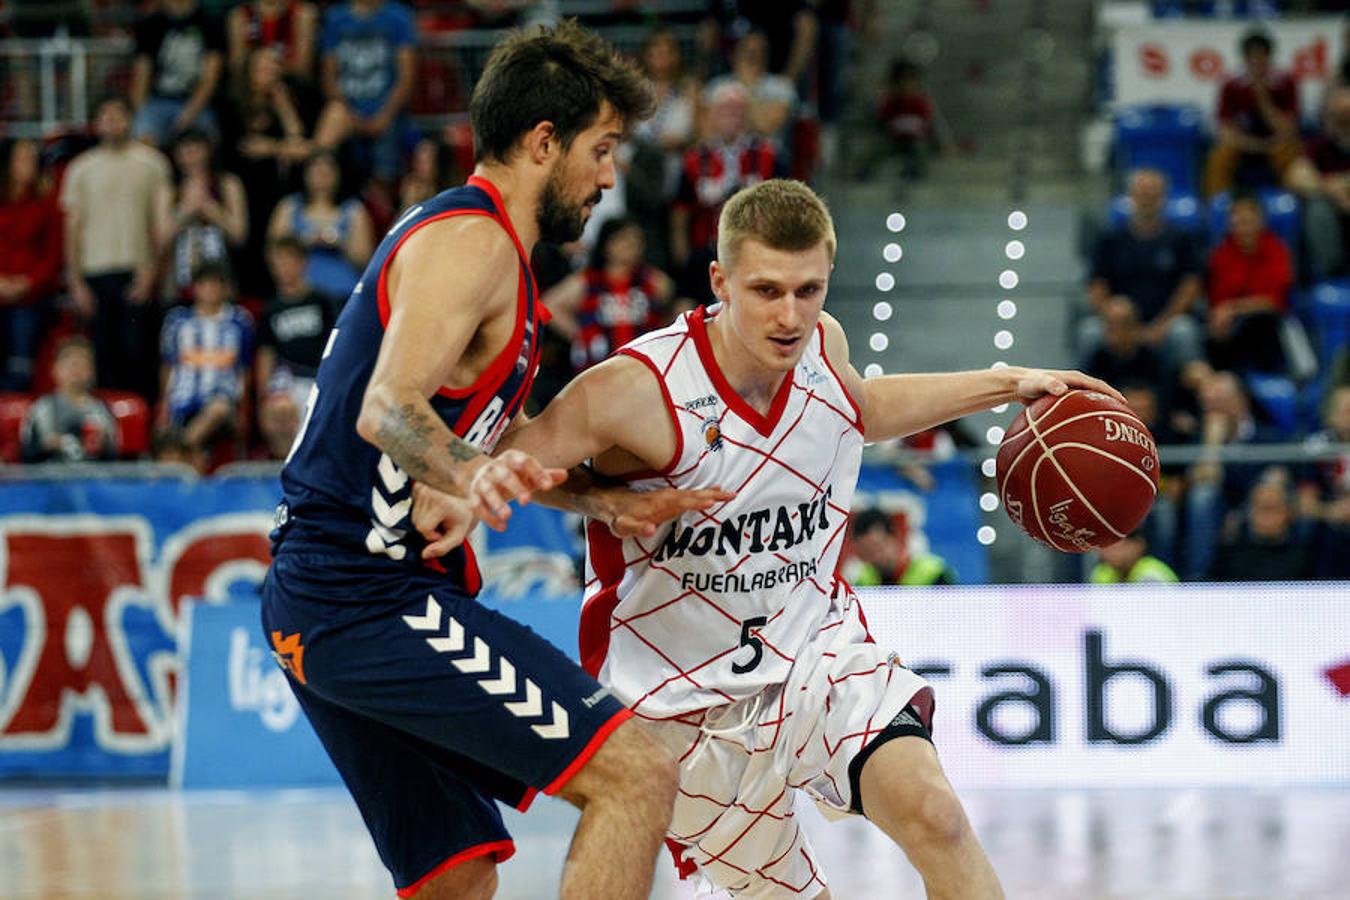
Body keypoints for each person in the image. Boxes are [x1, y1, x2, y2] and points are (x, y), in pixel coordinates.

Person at [423, 178, 1123, 897]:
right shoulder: (636, 389)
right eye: (765, 291)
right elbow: (512, 459)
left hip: (816, 653)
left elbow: (861, 406)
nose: (790, 315)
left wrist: (1012, 383)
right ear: (720, 280)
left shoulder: (823, 345)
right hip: (682, 703)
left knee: (936, 816)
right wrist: (598, 500)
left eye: (808, 289)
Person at [259, 22, 730, 900]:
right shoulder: (470, 243)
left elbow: (476, 437)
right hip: (362, 596)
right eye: (600, 148)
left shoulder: (488, 256)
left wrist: (600, 503)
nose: (608, 175)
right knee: (634, 775)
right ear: (542, 142)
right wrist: (467, 475)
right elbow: (387, 408)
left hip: (327, 595)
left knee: (458, 877)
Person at [62, 94, 172, 402]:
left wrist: (153, 270)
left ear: (130, 119)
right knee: (103, 359)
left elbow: (161, 225)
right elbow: (73, 228)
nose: (112, 122)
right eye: (105, 116)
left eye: (118, 115)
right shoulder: (80, 169)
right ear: (96, 124)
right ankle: (111, 433)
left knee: (140, 356)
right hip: (94, 272)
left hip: (137, 270)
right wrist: (75, 280)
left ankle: (141, 430)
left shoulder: (152, 163)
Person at [670, 80, 781, 304]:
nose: (732, 116)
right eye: (724, 110)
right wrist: (683, 258)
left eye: (738, 110)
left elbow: (784, 207)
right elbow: (680, 212)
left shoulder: (769, 155)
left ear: (748, 115)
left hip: (758, 250)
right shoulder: (694, 159)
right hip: (705, 252)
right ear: (710, 114)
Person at [1083, 168, 1204, 367]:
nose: (1147, 200)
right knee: (1090, 332)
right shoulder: (1110, 239)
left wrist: (1162, 325)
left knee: (1183, 331)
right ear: (1130, 197)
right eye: (1142, 194)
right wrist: (1116, 322)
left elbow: (1191, 285)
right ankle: (1081, 394)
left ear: (1163, 198)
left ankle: (1190, 392)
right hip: (1119, 320)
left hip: (1166, 320)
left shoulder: (1181, 239)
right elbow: (1097, 284)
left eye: (1153, 195)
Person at [544, 216, 678, 375]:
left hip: (644, 369)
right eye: (623, 239)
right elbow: (549, 305)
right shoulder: (587, 281)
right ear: (606, 244)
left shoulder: (656, 281)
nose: (630, 244)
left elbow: (674, 311)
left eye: (636, 239)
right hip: (596, 369)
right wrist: (581, 335)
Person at [157, 262, 254, 464]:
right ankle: (190, 452)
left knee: (217, 408)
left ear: (224, 288)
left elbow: (245, 370)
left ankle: (180, 446)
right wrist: (163, 406)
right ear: (195, 288)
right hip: (183, 401)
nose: (210, 290)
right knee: (197, 455)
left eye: (215, 284)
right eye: (205, 284)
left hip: (223, 405)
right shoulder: (177, 321)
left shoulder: (239, 321)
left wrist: (244, 410)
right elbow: (169, 366)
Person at [313, 0, 417, 184]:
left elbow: (406, 78)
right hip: (347, 112)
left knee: (386, 169)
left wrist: (384, 116)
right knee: (333, 121)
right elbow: (328, 78)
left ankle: (383, 202)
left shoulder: (399, 17)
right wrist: (352, 117)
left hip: (388, 112)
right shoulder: (335, 18)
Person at [256, 236, 337, 459]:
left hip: (319, 378)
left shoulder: (322, 302)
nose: (282, 269)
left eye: (287, 261)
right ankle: (287, 467)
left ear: (303, 263)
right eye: (277, 263)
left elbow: (337, 345)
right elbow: (266, 354)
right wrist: (263, 395)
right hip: (287, 379)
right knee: (278, 412)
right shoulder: (271, 309)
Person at [266, 150, 374, 305]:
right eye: (316, 170)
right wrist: (303, 243)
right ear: (305, 174)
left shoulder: (354, 210)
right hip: (300, 298)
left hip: (343, 294)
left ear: (338, 175)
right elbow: (274, 251)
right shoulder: (289, 207)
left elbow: (364, 259)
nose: (322, 176)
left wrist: (338, 243)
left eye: (328, 171)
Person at [1203, 29, 1301, 197]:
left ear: (1269, 57)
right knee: (1219, 156)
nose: (1257, 63)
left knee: (1291, 153)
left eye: (1261, 57)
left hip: (1276, 144)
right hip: (1244, 144)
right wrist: (1254, 145)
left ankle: (1291, 201)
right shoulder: (1231, 85)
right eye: (1251, 58)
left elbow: (1287, 129)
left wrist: (1261, 94)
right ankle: (1217, 203)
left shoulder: (1286, 82)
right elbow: (1226, 130)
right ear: (1244, 59)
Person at [156, 129, 249, 300]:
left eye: (196, 148)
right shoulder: (169, 191)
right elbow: (161, 239)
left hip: (221, 281)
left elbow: (239, 234)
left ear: (208, 150)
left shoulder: (227, 184)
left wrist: (211, 210)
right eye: (184, 149)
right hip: (180, 283)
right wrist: (187, 210)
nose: (191, 155)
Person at [1205, 192, 1293, 374]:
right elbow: (1216, 300)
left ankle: (1267, 376)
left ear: (1260, 222)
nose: (1243, 229)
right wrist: (1221, 314)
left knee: (1261, 322)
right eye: (1237, 223)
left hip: (1264, 327)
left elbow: (1273, 302)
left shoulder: (1277, 251)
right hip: (1228, 328)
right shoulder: (1221, 254)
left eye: (1248, 222)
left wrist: (1233, 309)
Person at [0, 137, 62, 392]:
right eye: (22, 158)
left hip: (31, 297)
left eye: (32, 159)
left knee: (21, 359)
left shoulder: (45, 205)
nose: (28, 164)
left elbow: (53, 257)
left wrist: (26, 284)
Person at [131, 0, 225, 146]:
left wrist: (188, 115)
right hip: (158, 101)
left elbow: (210, 79)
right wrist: (142, 113)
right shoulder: (149, 24)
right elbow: (141, 75)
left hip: (197, 103)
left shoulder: (210, 22)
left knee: (204, 142)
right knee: (143, 138)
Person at [1285, 85, 1350, 281]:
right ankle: (1333, 272)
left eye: (1347, 116)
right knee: (1316, 206)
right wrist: (1330, 189)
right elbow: (1295, 176)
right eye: (1338, 116)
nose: (1343, 122)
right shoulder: (1320, 145)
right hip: (1334, 214)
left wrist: (1343, 184)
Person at [20, 337, 119, 464]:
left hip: (93, 479)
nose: (76, 371)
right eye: (70, 364)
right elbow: (27, 455)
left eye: (83, 364)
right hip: (50, 480)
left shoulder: (102, 410)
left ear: (93, 372)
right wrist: (47, 445)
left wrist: (104, 444)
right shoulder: (41, 409)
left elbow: (114, 458)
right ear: (55, 369)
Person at [846, 506, 956, 586]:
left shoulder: (934, 573)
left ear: (895, 538)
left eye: (878, 547)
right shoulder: (864, 581)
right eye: (867, 552)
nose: (876, 557)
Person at [1088, 530, 1178, 584]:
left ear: (1138, 545)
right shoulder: (1101, 573)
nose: (1109, 553)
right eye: (1106, 547)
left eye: (1116, 547)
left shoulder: (1152, 575)